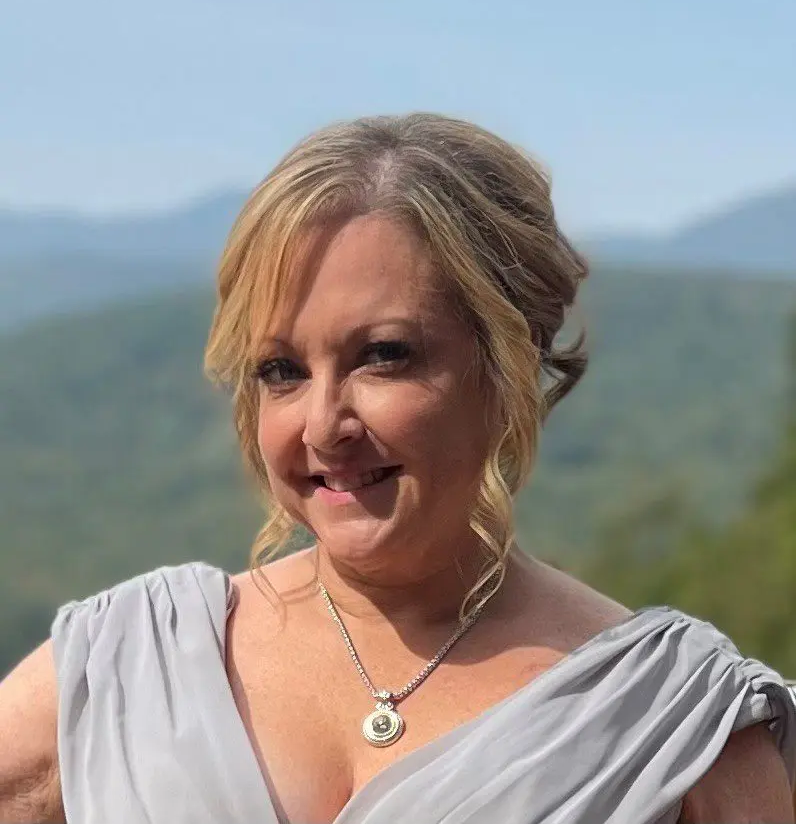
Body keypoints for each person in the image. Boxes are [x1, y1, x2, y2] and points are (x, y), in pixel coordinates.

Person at [1, 113, 794, 824]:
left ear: (506, 362)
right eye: (281, 369)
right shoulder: (125, 670)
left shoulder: (675, 723)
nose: (323, 424)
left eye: (384, 356)